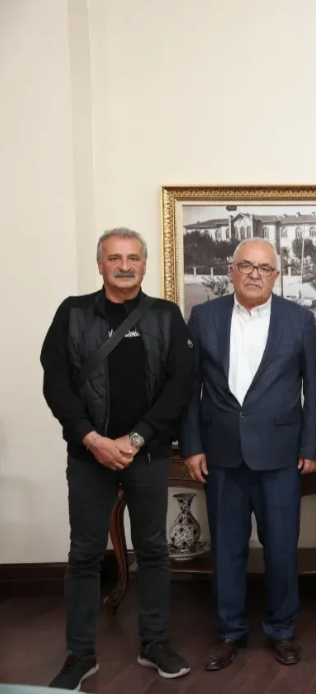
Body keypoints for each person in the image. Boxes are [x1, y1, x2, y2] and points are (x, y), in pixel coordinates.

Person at [40, 228, 195, 690]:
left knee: (153, 551)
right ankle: (80, 654)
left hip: (147, 456)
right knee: (85, 555)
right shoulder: (72, 313)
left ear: (144, 265)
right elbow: (55, 383)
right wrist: (92, 439)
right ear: (100, 264)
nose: (124, 266)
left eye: (133, 258)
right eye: (114, 258)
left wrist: (138, 437)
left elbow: (181, 384)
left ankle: (154, 644)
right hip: (89, 456)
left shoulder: (166, 315)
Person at [180, 239, 316, 671]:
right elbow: (188, 389)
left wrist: (311, 446)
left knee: (281, 548)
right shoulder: (204, 317)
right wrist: (192, 446)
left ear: (276, 275)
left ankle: (282, 630)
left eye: (264, 268)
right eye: (246, 266)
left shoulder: (299, 319)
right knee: (227, 548)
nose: (255, 274)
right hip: (221, 454)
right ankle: (230, 632)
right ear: (232, 270)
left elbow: (314, 389)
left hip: (281, 455)